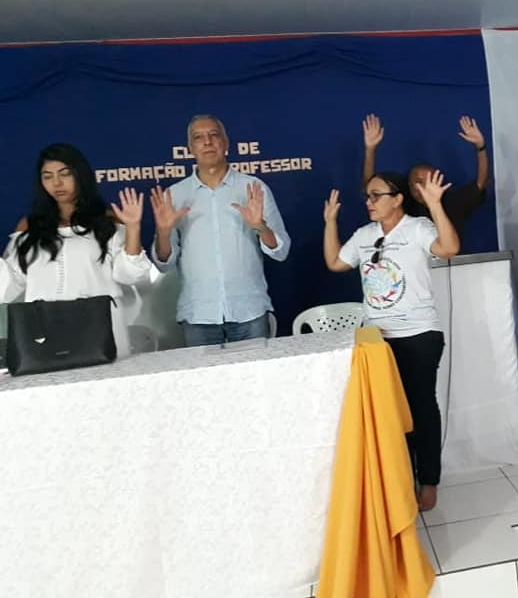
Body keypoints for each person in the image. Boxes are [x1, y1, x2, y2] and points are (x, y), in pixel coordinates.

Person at [323, 170, 459, 511]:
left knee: (420, 408)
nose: (369, 202)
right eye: (367, 196)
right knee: (390, 413)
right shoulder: (365, 235)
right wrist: (329, 223)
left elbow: (449, 248)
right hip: (377, 339)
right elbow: (335, 262)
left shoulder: (417, 228)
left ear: (397, 199)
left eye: (376, 195)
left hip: (419, 334)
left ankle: (428, 480)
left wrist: (435, 206)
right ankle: (400, 480)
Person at [150, 114, 290, 346]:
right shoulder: (174, 195)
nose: (207, 142)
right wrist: (163, 232)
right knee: (205, 383)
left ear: (226, 143)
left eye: (214, 135)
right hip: (198, 313)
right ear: (190, 148)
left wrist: (260, 227)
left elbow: (281, 251)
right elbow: (164, 263)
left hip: (249, 309)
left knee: (256, 381)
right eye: (198, 137)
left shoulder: (253, 188)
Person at [0, 144, 152, 358]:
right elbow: (8, 285)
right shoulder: (29, 226)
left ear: (80, 175)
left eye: (65, 174)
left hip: (100, 328)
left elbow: (129, 275)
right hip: (45, 329)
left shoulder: (105, 220)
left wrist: (133, 228)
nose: (57, 183)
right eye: (48, 176)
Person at [362, 113, 488, 239]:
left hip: (451, 257)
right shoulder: (403, 206)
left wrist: (480, 146)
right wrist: (370, 149)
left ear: (437, 180)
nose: (417, 186)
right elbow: (371, 187)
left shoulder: (454, 202)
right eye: (413, 183)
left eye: (422, 180)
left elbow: (481, 183)